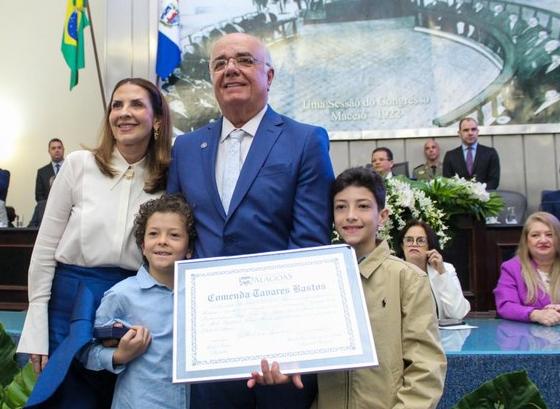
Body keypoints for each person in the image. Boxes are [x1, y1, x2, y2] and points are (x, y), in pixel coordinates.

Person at [167, 32, 334, 408]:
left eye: (244, 60)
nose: (231, 70)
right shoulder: (187, 148)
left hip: (280, 349)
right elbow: (178, 235)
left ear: (269, 76)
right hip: (209, 343)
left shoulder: (305, 140)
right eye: (220, 63)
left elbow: (309, 242)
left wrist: (283, 339)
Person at [19, 77, 172, 408]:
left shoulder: (169, 176)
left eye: (136, 105)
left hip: (133, 308)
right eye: (117, 105)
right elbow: (44, 251)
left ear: (157, 119)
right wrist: (35, 328)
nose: (124, 113)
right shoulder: (78, 164)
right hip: (70, 305)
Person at [248, 167, 446, 408]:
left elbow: (426, 367)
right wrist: (284, 366)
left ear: (382, 215)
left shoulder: (407, 279)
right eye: (341, 207)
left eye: (362, 206)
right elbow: (296, 347)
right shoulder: (315, 277)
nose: (350, 215)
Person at [82, 194, 196, 408]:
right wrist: (118, 355)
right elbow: (88, 352)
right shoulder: (121, 295)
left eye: (174, 235)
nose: (162, 240)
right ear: (143, 245)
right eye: (153, 234)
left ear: (189, 249)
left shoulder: (199, 295)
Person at [494, 212, 560, 326]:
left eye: (549, 234)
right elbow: (505, 305)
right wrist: (535, 314)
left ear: (559, 238)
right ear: (526, 241)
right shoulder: (511, 268)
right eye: (535, 235)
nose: (543, 240)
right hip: (530, 339)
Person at [398, 220, 471, 319]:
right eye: (409, 240)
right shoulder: (393, 270)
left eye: (421, 240)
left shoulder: (446, 269)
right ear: (402, 245)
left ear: (429, 245)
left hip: (437, 333)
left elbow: (457, 314)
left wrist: (442, 273)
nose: (414, 244)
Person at [442, 117, 500, 189]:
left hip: (485, 197)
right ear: (459, 133)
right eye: (466, 130)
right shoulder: (450, 156)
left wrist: (479, 193)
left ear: (477, 132)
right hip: (458, 199)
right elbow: (447, 182)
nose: (470, 133)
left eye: (473, 129)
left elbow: (494, 181)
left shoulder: (490, 153)